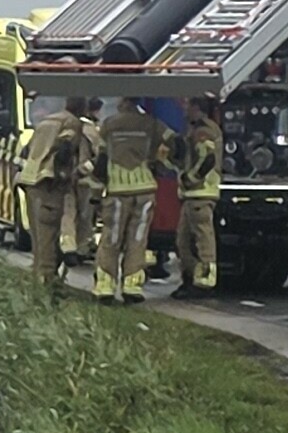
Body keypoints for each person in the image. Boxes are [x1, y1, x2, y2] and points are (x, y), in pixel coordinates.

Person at [93, 94, 171, 304]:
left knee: (112, 237)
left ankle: (105, 286)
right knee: (137, 239)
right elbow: (175, 142)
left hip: (118, 190)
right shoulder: (152, 123)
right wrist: (160, 163)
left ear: (124, 101)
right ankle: (132, 286)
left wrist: (96, 188)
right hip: (144, 188)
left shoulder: (109, 124)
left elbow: (101, 159)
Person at [18, 95, 94, 301]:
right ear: (82, 108)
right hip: (48, 185)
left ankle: (37, 287)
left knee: (38, 241)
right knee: (49, 240)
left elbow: (26, 152)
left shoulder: (46, 121)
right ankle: (48, 290)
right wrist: (64, 175)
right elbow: (65, 148)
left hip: (30, 183)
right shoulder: (72, 123)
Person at [174, 97, 225, 296]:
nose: (184, 109)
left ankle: (203, 280)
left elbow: (208, 158)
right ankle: (191, 278)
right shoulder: (194, 129)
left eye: (187, 105)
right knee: (183, 241)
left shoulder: (203, 131)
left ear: (196, 108)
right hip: (193, 194)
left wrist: (191, 178)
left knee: (202, 239)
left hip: (200, 192)